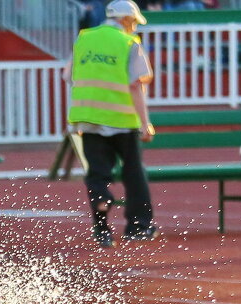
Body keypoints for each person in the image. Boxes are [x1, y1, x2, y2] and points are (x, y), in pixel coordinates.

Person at [66, 0, 157, 248]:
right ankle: (139, 226)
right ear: (127, 20)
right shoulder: (129, 43)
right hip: (122, 121)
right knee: (133, 172)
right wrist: (145, 123)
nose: (134, 28)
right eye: (134, 23)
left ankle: (102, 226)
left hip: (89, 120)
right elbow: (136, 85)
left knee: (97, 174)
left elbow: (67, 75)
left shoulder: (84, 38)